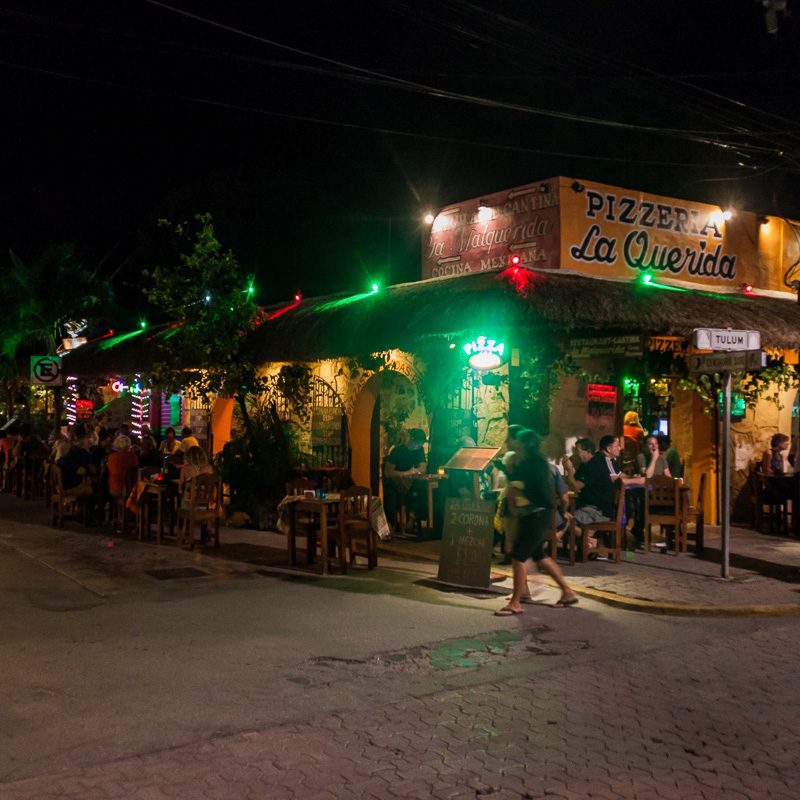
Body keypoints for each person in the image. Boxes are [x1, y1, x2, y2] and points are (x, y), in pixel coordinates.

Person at [495, 429, 577, 615]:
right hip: (530, 515)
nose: (515, 445)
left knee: (518, 556)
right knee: (539, 556)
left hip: (536, 515)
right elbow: (516, 480)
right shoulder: (528, 463)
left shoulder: (536, 464)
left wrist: (520, 489)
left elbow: (538, 494)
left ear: (526, 445)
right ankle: (567, 591)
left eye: (519, 443)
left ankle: (516, 602)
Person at [573, 435, 645, 550]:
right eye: (617, 446)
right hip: (601, 507)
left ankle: (592, 541)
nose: (620, 448)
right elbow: (615, 479)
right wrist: (638, 480)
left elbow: (617, 476)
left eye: (577, 451)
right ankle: (593, 541)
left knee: (566, 519)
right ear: (608, 449)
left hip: (600, 508)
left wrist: (633, 477)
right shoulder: (601, 460)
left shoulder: (600, 461)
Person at [383, 428, 427, 532]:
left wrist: (415, 471)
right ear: (411, 439)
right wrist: (406, 473)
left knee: (423, 491)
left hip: (412, 482)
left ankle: (413, 519)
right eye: (418, 444)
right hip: (395, 482)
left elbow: (423, 468)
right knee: (390, 494)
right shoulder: (397, 451)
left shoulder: (419, 450)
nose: (419, 446)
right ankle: (388, 524)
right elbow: (388, 472)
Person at [178, 446, 214, 510]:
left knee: (181, 501)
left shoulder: (185, 468)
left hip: (190, 506)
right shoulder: (209, 468)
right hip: (206, 505)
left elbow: (180, 490)